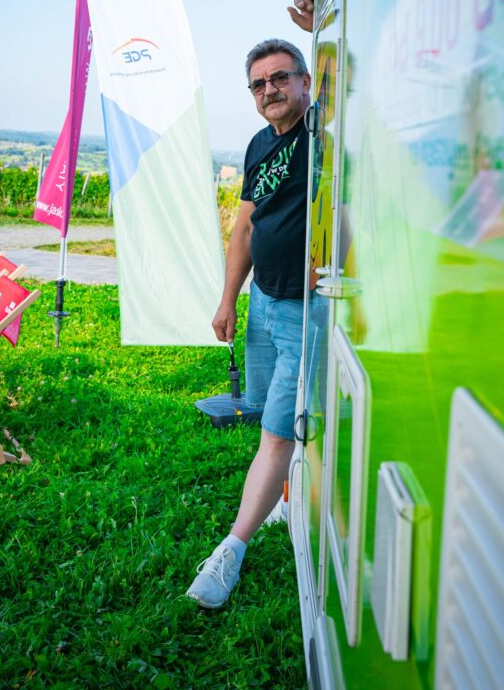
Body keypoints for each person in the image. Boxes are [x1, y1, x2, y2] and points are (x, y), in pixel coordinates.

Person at [186, 34, 315, 609]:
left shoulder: (324, 134)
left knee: (276, 433)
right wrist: (228, 300)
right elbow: (245, 228)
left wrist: (318, 24)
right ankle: (285, 495)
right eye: (259, 84)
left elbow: (349, 84)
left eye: (282, 77)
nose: (270, 90)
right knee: (271, 410)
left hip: (305, 310)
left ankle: (231, 550)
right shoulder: (260, 144)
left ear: (306, 81)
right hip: (263, 299)